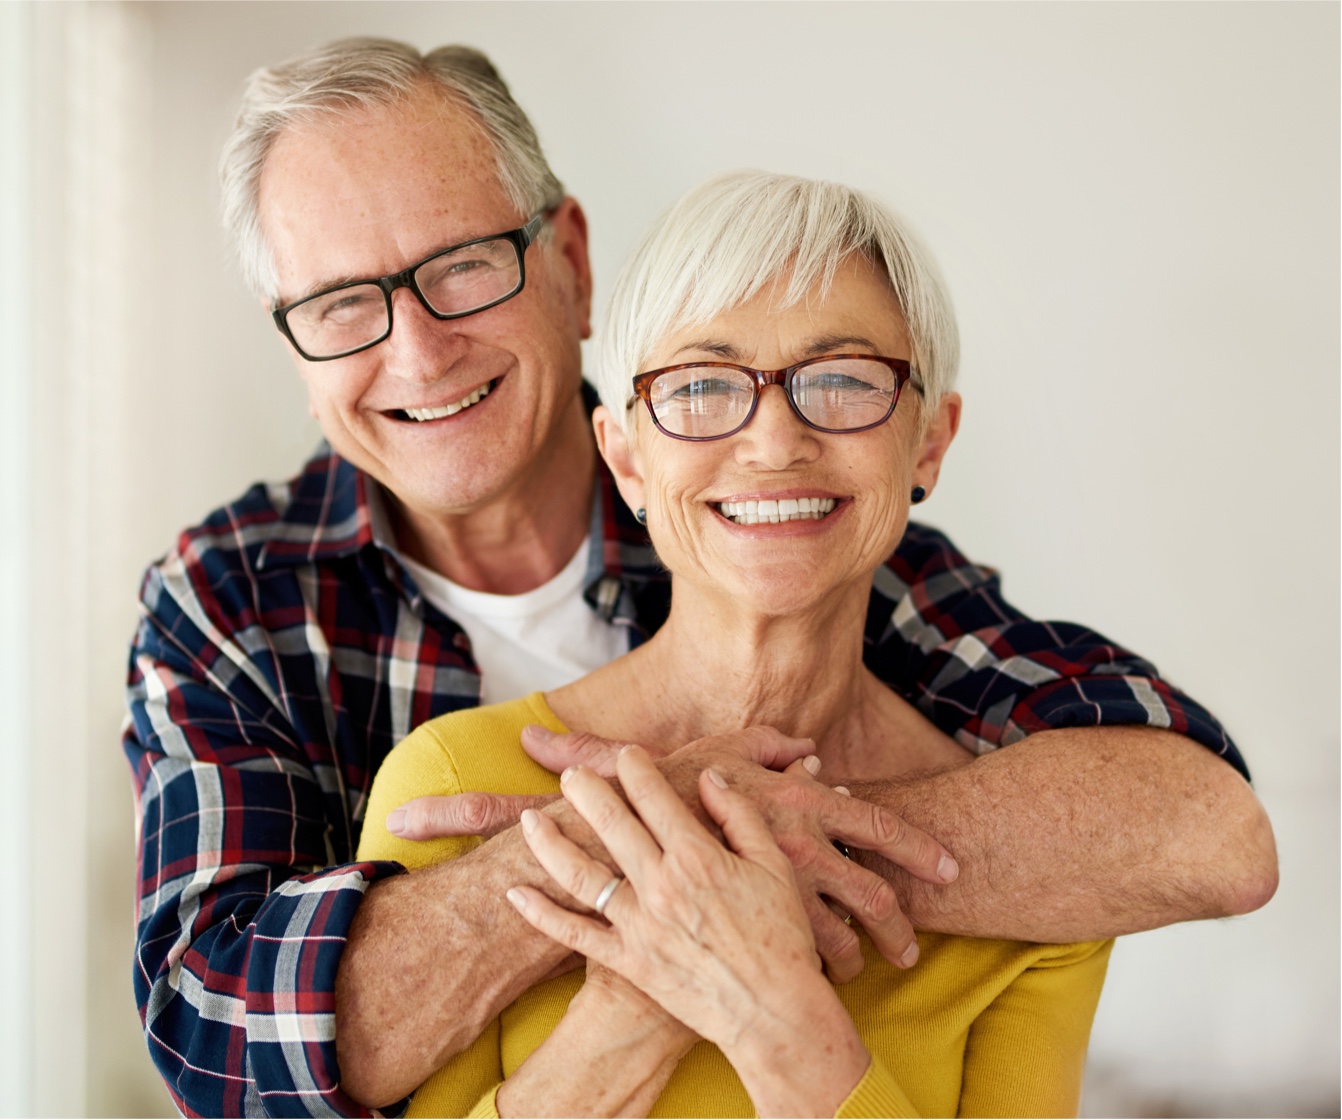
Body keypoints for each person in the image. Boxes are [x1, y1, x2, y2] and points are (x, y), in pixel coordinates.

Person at [121, 37, 1275, 1118]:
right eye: (341, 305)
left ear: (568, 259)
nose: (419, 351)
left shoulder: (802, 536)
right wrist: (618, 866)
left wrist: (732, 852)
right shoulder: (236, 603)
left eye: (463, 267)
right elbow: (216, 1036)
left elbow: (1199, 828)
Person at [356, 170, 1120, 1118]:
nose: (772, 441)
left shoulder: (1037, 892)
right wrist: (642, 997)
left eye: (841, 380)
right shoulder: (449, 787)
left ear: (928, 442)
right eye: (703, 386)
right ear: (627, 455)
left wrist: (771, 1012)